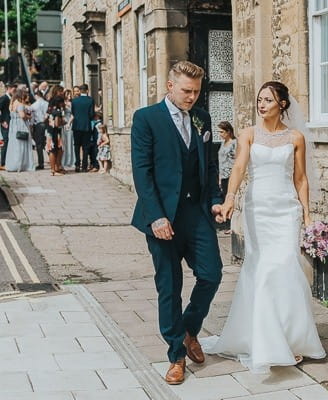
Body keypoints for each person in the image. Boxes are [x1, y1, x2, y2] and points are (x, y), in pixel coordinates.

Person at [203, 81, 326, 374]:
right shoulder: (247, 135)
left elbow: (300, 179)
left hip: (286, 210)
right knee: (261, 269)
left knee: (285, 266)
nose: (261, 104)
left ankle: (291, 339)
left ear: (282, 104)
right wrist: (230, 198)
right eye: (259, 99)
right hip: (258, 209)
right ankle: (265, 340)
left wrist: (307, 215)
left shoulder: (295, 138)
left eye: (268, 100)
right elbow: (239, 169)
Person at [130, 61, 223, 385]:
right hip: (162, 217)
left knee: (211, 274)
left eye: (196, 92)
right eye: (186, 91)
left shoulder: (203, 118)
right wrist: (156, 216)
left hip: (196, 214)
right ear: (170, 85)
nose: (192, 97)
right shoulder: (146, 119)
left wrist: (215, 201)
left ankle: (188, 330)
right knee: (169, 287)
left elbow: (210, 167)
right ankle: (176, 356)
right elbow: (142, 172)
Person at [5, 87, 35, 172]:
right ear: (21, 96)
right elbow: (22, 116)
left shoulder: (12, 104)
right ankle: (21, 165)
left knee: (14, 145)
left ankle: (12, 164)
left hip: (13, 126)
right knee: (22, 144)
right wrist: (29, 116)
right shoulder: (20, 105)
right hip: (21, 126)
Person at [216, 121, 236, 234]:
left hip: (231, 174)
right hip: (223, 174)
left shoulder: (234, 143)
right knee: (224, 197)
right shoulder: (223, 143)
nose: (220, 134)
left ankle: (232, 224)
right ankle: (227, 221)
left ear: (228, 131)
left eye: (222, 132)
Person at [71, 84, 94, 172]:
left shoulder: (74, 101)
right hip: (86, 126)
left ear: (80, 91)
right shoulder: (90, 100)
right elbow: (91, 114)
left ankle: (77, 165)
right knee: (85, 147)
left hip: (76, 125)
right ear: (87, 90)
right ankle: (84, 166)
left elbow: (73, 112)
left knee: (76, 146)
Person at [0, 83, 17, 169]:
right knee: (5, 142)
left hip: (12, 123)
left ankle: (7, 161)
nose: (14, 92)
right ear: (9, 88)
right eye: (13, 90)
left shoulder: (12, 98)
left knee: (9, 142)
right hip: (5, 123)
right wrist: (2, 121)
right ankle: (2, 163)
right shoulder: (4, 98)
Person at [30, 90, 48, 170]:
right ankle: (53, 159)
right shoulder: (47, 103)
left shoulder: (34, 105)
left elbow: (32, 117)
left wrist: (30, 126)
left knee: (39, 145)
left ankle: (41, 163)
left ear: (36, 96)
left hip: (38, 125)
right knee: (48, 143)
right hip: (46, 124)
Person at [45, 107, 64, 176]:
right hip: (55, 133)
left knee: (51, 150)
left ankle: (54, 169)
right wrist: (63, 122)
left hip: (49, 132)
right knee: (58, 150)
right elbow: (57, 124)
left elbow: (44, 119)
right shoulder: (57, 112)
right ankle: (55, 169)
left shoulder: (49, 110)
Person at [61, 89, 76, 168]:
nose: (70, 96)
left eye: (70, 94)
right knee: (64, 142)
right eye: (68, 94)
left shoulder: (72, 103)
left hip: (70, 123)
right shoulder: (62, 103)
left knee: (70, 141)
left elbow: (74, 114)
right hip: (63, 123)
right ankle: (64, 160)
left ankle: (71, 160)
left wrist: (69, 123)